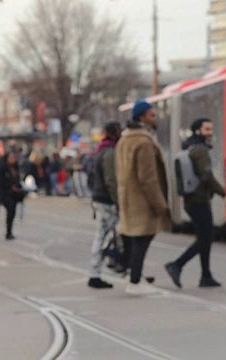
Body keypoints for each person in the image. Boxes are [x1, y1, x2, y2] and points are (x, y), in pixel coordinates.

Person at [164, 118, 226, 289]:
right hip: (199, 200)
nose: (210, 132)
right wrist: (224, 194)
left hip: (193, 199)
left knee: (205, 237)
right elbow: (207, 175)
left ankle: (205, 275)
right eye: (206, 129)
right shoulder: (200, 150)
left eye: (211, 129)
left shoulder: (190, 147)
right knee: (206, 238)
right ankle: (177, 265)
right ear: (197, 131)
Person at [116, 100, 171, 296]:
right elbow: (148, 178)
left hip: (127, 197)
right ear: (142, 118)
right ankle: (135, 280)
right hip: (142, 200)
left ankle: (134, 276)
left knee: (134, 238)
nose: (155, 118)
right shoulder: (143, 142)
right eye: (152, 115)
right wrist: (160, 204)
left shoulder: (124, 139)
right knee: (143, 237)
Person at [88, 121, 122, 289]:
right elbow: (111, 180)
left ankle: (100, 271)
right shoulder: (109, 153)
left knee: (105, 235)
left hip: (99, 197)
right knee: (105, 236)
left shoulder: (100, 151)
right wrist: (118, 200)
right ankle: (96, 273)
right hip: (106, 200)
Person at [0, 152, 24, 240]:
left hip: (14, 194)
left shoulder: (16, 169)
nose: (12, 160)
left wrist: (19, 188)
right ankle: (8, 232)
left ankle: (9, 231)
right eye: (10, 158)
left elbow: (18, 181)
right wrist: (10, 187)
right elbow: (1, 182)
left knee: (12, 212)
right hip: (6, 193)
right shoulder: (3, 169)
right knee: (10, 210)